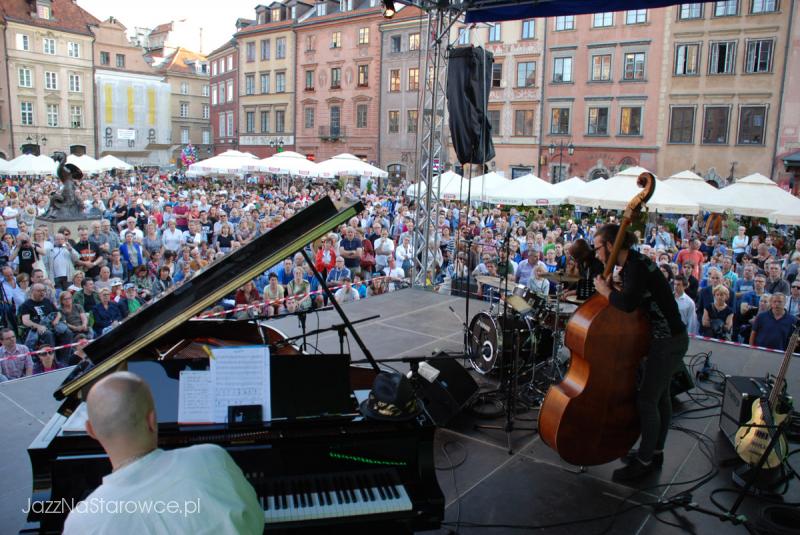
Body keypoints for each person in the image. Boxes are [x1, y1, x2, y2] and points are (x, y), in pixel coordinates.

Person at [62, 371, 263, 535]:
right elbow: (255, 520)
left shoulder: (81, 524)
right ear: (152, 419)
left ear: (91, 431)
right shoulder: (211, 458)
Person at [592, 224, 689, 481]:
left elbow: (627, 304)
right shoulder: (635, 263)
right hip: (672, 338)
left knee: (647, 400)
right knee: (662, 398)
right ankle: (655, 452)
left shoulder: (635, 266)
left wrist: (605, 290)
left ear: (612, 245)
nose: (596, 253)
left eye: (598, 247)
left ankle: (644, 461)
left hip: (667, 341)